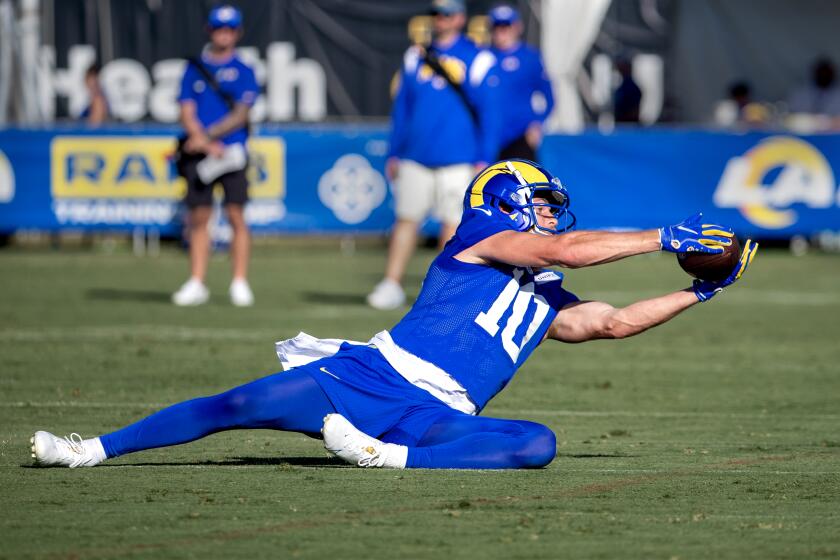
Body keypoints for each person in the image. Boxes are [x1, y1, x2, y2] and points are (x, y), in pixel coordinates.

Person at [31, 159, 758, 470]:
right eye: (537, 204)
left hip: (432, 415)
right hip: (371, 375)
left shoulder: (543, 295)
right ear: (505, 203)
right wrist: (663, 237)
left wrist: (700, 292)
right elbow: (567, 248)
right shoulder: (478, 236)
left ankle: (390, 460)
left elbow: (612, 322)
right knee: (239, 403)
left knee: (538, 444)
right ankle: (89, 450)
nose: (547, 216)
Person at [366, 0, 501, 310]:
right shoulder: (416, 56)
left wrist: (485, 157)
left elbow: (491, 114)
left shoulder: (478, 58)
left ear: (460, 18)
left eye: (447, 14)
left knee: (452, 224)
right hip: (417, 154)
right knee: (406, 219)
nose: (441, 20)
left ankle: (445, 289)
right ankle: (392, 283)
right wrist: (394, 151)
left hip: (460, 155)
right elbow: (402, 108)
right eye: (436, 14)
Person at [171, 5, 258, 307]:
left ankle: (239, 282)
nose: (224, 34)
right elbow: (186, 110)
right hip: (202, 154)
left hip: (232, 153)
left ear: (238, 33)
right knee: (199, 217)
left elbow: (240, 114)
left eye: (230, 29)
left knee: (236, 215)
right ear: (209, 30)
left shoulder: (244, 69)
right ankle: (197, 281)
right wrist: (204, 144)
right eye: (219, 28)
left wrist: (208, 138)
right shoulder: (193, 68)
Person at [488, 5, 554, 161]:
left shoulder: (529, 57)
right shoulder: (485, 58)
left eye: (505, 26)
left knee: (523, 181)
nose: (500, 32)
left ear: (517, 27)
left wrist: (538, 123)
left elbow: (549, 96)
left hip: (520, 135)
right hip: (492, 135)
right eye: (496, 26)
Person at [787, 57, 840, 127]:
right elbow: (791, 115)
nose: (823, 75)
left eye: (827, 73)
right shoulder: (800, 93)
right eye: (821, 73)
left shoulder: (838, 94)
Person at [613, 57, 642, 124]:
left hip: (629, 124)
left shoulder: (631, 87)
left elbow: (634, 111)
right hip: (621, 124)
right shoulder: (622, 86)